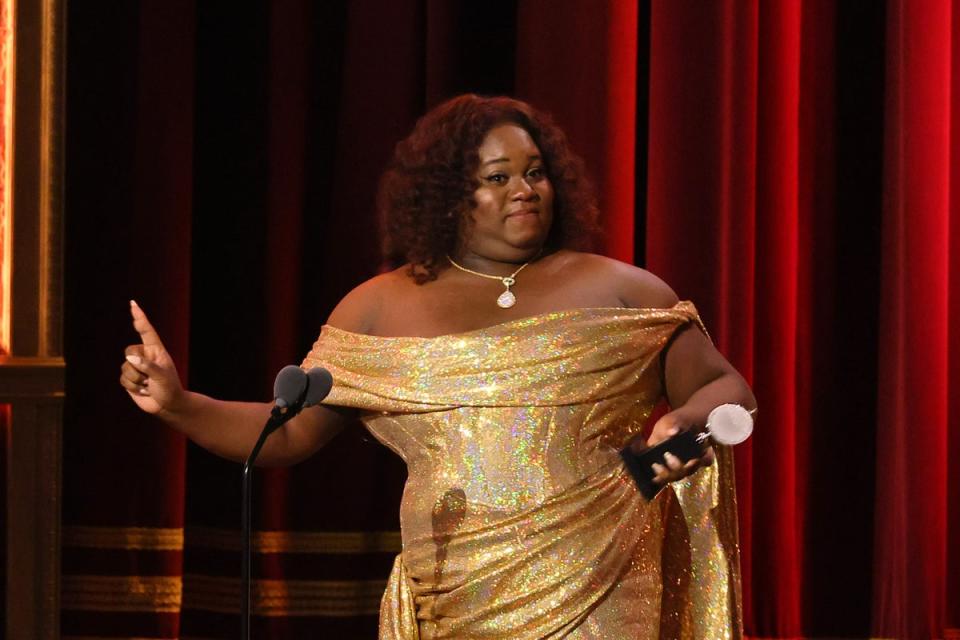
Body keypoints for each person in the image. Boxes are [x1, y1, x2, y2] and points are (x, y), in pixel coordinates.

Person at [120, 94, 756, 639]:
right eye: (497, 178)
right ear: (450, 196)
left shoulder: (624, 291)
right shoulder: (376, 308)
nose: (525, 190)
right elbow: (286, 432)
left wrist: (691, 419)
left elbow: (730, 389)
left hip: (603, 577)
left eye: (535, 172)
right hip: (449, 593)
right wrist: (180, 403)